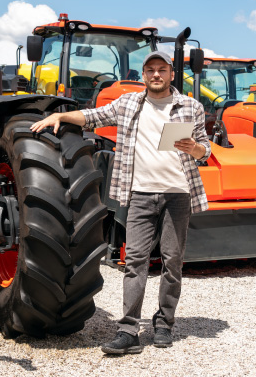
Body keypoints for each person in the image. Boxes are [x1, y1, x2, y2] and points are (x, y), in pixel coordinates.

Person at [30, 51, 211, 354]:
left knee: (172, 263)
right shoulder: (128, 104)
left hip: (177, 195)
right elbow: (92, 116)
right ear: (144, 75)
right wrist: (60, 115)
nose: (156, 75)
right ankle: (129, 331)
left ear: (170, 75)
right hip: (140, 194)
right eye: (150, 70)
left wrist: (195, 148)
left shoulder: (191, 106)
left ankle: (165, 324)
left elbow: (205, 148)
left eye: (162, 70)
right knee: (135, 262)